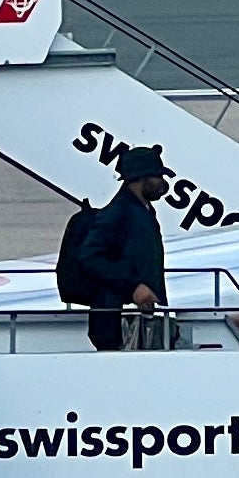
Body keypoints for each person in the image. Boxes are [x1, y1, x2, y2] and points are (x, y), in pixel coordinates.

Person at [57, 145, 173, 351]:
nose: (163, 184)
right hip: (117, 321)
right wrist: (133, 286)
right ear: (139, 178)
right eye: (156, 177)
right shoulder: (118, 213)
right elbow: (89, 257)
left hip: (136, 319)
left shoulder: (142, 212)